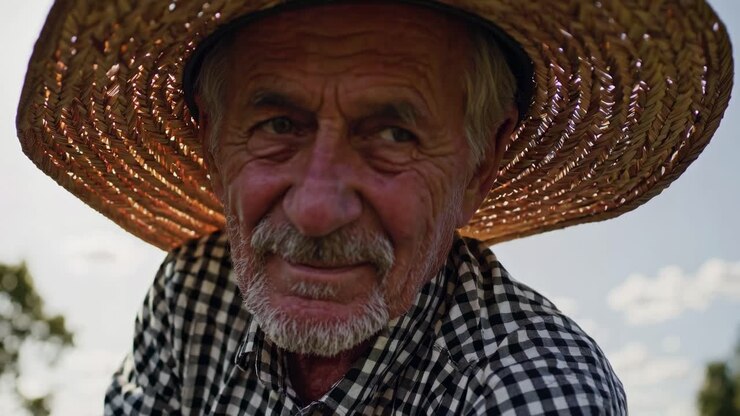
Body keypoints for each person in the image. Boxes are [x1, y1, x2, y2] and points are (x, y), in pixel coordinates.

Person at [16, 0, 732, 414]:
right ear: (212, 137)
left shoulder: (528, 387)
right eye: (278, 126)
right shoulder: (193, 293)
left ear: (480, 164)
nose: (317, 210)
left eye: (392, 134)